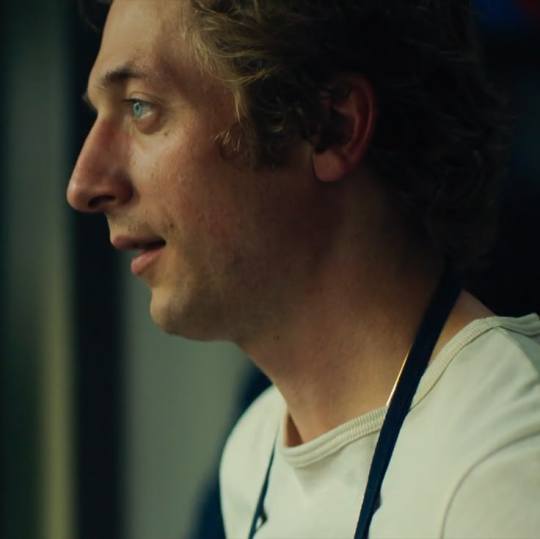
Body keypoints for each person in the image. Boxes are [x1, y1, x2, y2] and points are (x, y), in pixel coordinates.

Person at [68, 0, 540, 537]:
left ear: (330, 127)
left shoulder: (503, 468)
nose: (83, 185)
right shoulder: (254, 453)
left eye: (140, 107)